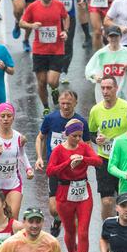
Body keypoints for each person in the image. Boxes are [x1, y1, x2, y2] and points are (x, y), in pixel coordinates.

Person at [46, 119, 102, 252]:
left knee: (83, 232)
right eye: (74, 136)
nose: (78, 139)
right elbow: (50, 171)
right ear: (67, 134)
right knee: (70, 231)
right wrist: (68, 163)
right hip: (65, 193)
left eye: (80, 135)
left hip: (84, 193)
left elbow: (98, 161)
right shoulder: (58, 151)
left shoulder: (84, 147)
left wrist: (83, 159)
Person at [35, 90, 90, 237]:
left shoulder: (81, 122)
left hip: (74, 170)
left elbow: (88, 146)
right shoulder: (50, 118)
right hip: (56, 168)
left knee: (75, 208)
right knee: (54, 209)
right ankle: (58, 219)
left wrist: (83, 159)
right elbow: (40, 138)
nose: (65, 107)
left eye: (69, 104)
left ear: (75, 103)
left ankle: (75, 245)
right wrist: (39, 157)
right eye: (62, 103)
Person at [20, 0, 70, 114]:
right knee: (41, 82)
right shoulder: (33, 7)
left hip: (57, 49)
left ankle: (54, 89)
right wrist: (31, 26)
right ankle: (46, 107)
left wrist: (65, 31)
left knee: (52, 81)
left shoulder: (59, 5)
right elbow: (21, 23)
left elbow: (66, 17)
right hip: (39, 50)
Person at [0, 103, 34, 219]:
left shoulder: (19, 137)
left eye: (9, 116)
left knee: (12, 218)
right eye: (2, 116)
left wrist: (28, 169)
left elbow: (22, 154)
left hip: (14, 184)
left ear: (13, 117)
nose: (5, 119)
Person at [88, 76, 127, 220]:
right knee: (107, 202)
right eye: (103, 88)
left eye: (109, 88)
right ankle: (108, 231)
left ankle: (125, 228)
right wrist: (97, 140)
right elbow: (91, 132)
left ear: (116, 88)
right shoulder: (95, 110)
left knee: (126, 201)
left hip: (125, 159)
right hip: (105, 159)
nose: (105, 91)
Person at [85, 25, 127, 105]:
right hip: (106, 95)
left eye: (116, 36)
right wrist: (95, 77)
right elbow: (89, 71)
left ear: (120, 37)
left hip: (124, 94)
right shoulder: (101, 54)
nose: (113, 39)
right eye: (111, 36)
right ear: (107, 37)